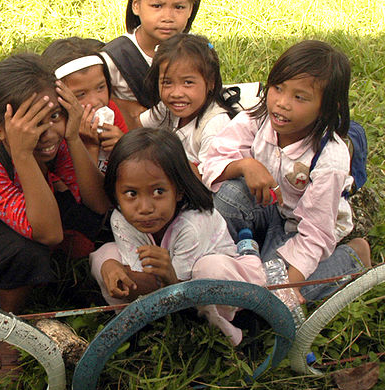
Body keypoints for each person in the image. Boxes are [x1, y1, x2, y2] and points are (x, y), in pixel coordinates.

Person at [0, 53, 111, 375]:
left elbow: (98, 205)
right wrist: (21, 153)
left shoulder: (53, 141)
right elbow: (49, 233)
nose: (46, 133)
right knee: (28, 253)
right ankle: (6, 331)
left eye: (54, 116)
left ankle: (59, 284)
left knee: (99, 224)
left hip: (28, 202)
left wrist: (73, 136)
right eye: (31, 124)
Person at [201, 40, 371, 301]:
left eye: (299, 97)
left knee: (267, 293)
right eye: (277, 88)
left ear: (328, 107)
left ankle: (352, 257)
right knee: (229, 196)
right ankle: (242, 257)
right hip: (271, 212)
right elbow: (211, 160)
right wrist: (246, 165)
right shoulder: (257, 119)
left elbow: (315, 234)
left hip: (304, 231)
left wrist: (289, 286)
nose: (282, 103)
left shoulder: (329, 157)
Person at [90, 128, 266, 345]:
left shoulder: (193, 222)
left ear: (179, 190)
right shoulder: (121, 218)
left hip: (212, 286)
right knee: (104, 256)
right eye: (131, 194)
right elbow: (138, 278)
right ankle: (137, 327)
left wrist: (168, 278)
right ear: (116, 194)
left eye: (158, 192)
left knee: (209, 270)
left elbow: (182, 294)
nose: (145, 208)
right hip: (166, 285)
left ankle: (228, 334)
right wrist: (113, 269)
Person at [101, 0, 202, 127]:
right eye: (157, 6)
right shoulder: (115, 58)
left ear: (191, 9)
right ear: (136, 5)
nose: (168, 16)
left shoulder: (197, 50)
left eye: (179, 7)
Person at [140, 34, 237, 176]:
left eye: (188, 82)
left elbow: (207, 180)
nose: (176, 93)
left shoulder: (214, 124)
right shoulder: (167, 108)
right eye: (167, 82)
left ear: (211, 82)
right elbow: (139, 127)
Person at [42, 37, 129, 172]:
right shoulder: (57, 131)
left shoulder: (110, 111)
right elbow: (85, 190)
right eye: (80, 95)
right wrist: (90, 148)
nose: (95, 101)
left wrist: (123, 146)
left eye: (100, 87)